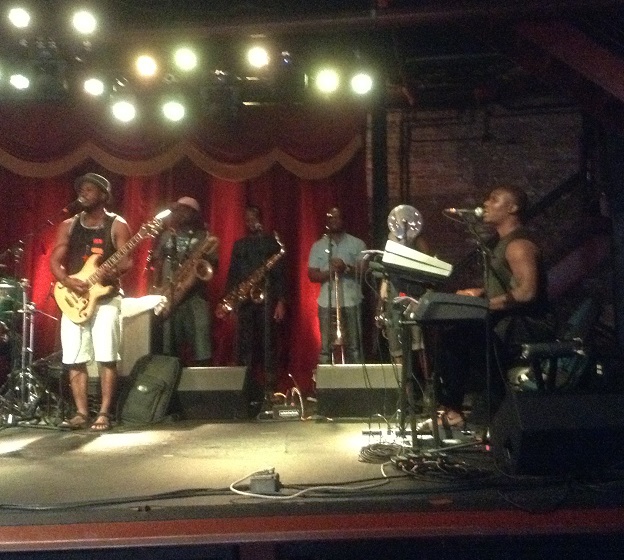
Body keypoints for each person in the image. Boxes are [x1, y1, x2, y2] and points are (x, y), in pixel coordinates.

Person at [425, 185, 554, 430]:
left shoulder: (518, 245)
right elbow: (508, 285)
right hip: (508, 322)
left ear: (513, 208)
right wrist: (480, 292)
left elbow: (527, 292)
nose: (485, 203)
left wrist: (481, 304)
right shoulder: (502, 243)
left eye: (494, 199)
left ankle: (456, 411)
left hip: (525, 327)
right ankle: (476, 411)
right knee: (456, 337)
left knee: (455, 339)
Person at [50, 172, 133, 431]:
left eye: (89, 189)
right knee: (75, 356)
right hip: (74, 296)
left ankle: (104, 413)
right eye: (81, 189)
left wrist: (112, 271)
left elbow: (126, 261)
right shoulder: (69, 225)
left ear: (103, 195)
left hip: (106, 298)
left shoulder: (117, 224)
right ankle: (81, 412)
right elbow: (55, 261)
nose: (83, 193)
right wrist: (66, 281)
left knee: (106, 355)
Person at [218, 205, 286, 417]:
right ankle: (245, 388)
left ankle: (270, 388)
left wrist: (281, 301)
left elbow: (280, 275)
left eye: (253, 218)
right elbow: (233, 274)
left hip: (266, 300)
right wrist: (230, 300)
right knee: (244, 345)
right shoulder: (240, 245)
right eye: (247, 218)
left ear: (260, 219)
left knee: (268, 343)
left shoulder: (271, 243)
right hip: (244, 301)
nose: (250, 222)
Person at [151, 196, 219, 367]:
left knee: (201, 346)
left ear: (193, 213)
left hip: (195, 298)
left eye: (183, 210)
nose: (178, 213)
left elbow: (211, 265)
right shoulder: (167, 235)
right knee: (168, 349)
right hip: (168, 294)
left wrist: (187, 284)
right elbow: (158, 262)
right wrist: (156, 287)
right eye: (177, 210)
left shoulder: (205, 237)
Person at [308, 207, 367, 364]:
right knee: (325, 348)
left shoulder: (357, 243)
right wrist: (331, 272)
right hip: (326, 302)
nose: (334, 220)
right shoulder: (318, 246)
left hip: (351, 300)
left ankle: (356, 378)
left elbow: (365, 271)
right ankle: (327, 378)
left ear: (343, 219)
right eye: (330, 218)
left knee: (354, 347)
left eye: (337, 217)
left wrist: (345, 268)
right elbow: (312, 275)